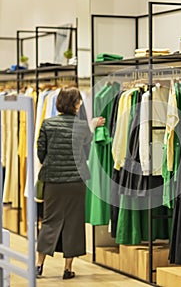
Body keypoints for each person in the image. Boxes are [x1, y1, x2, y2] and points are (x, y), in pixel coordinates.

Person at [35, 86, 105, 280]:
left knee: (49, 222)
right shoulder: (81, 126)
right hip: (76, 181)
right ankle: (67, 269)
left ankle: (39, 265)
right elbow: (87, 146)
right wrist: (92, 126)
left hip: (53, 181)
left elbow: (40, 151)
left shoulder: (48, 124)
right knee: (73, 224)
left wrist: (51, 162)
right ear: (75, 104)